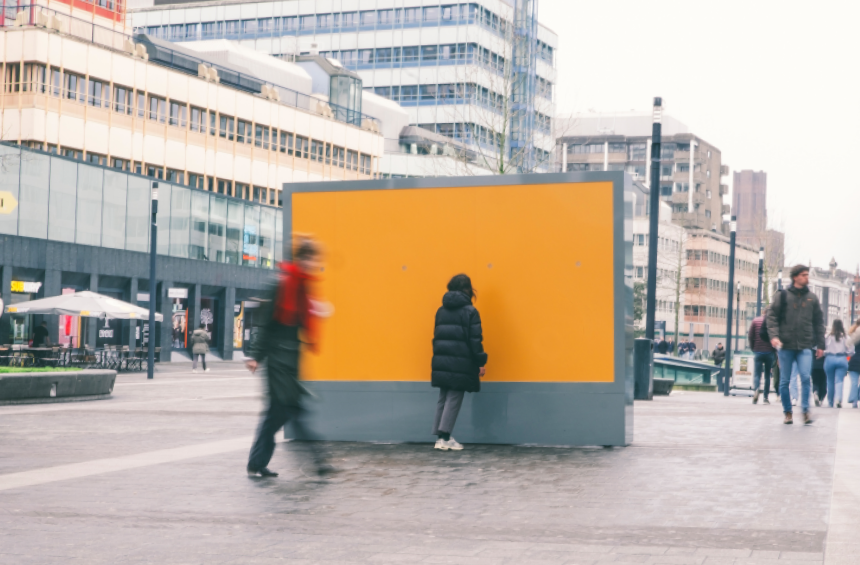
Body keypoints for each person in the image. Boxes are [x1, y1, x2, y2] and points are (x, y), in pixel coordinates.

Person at [246, 239, 331, 478]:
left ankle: (256, 462)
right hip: (277, 359)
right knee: (293, 410)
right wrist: (256, 356)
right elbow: (265, 323)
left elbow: (303, 319)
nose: (315, 263)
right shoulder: (281, 284)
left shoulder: (303, 286)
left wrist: (317, 311)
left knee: (277, 414)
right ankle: (320, 462)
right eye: (311, 258)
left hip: (292, 359)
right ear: (301, 259)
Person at [431, 274, 488, 451]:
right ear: (468, 289)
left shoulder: (441, 310)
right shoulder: (470, 312)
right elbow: (475, 340)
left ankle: (440, 438)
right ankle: (445, 438)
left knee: (444, 397)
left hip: (442, 359)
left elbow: (437, 337)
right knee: (454, 398)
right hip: (461, 362)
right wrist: (480, 361)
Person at [766, 264, 825, 425]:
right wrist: (774, 336)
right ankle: (788, 412)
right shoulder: (782, 296)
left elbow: (819, 323)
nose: (807, 277)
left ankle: (805, 411)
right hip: (786, 346)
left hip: (805, 345)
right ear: (795, 277)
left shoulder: (812, 298)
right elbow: (771, 317)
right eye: (804, 275)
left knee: (806, 378)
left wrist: (821, 345)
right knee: (785, 381)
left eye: (807, 274)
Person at [823, 319, 854, 408]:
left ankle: (830, 402)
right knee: (839, 381)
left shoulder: (828, 336)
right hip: (841, 358)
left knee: (830, 381)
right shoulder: (846, 337)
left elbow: (824, 349)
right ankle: (838, 399)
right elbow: (851, 351)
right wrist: (847, 354)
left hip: (829, 358)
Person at [748, 315, 775, 405]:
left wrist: (753, 347)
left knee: (757, 374)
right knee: (768, 375)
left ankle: (756, 389)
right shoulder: (771, 322)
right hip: (769, 352)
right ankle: (765, 398)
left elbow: (750, 336)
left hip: (758, 351)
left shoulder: (755, 321)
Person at [846, 321, 860, 408]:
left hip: (855, 360)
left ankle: (854, 400)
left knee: (854, 382)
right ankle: (857, 397)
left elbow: (848, 344)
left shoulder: (854, 333)